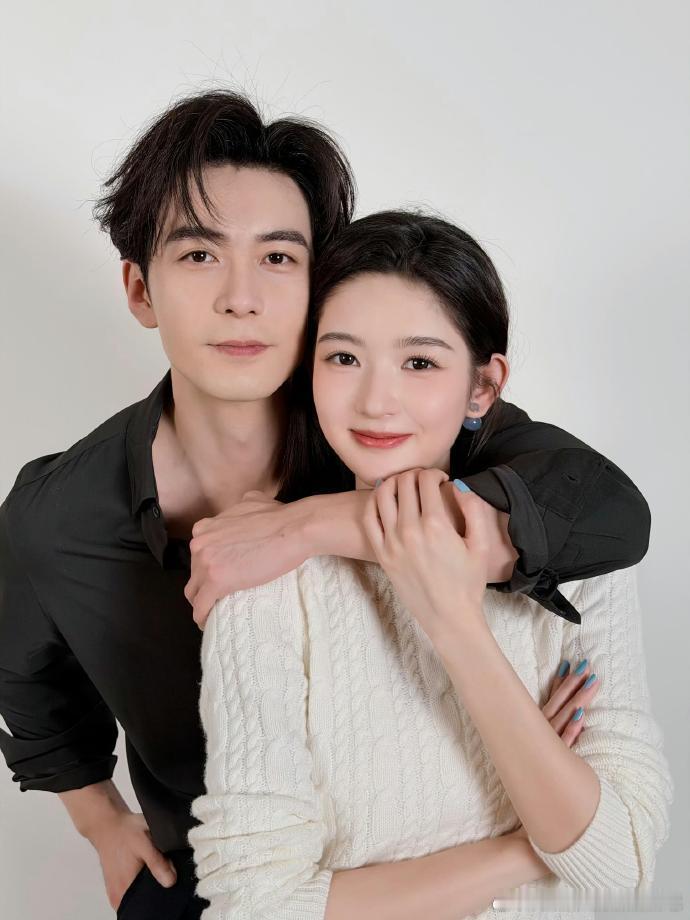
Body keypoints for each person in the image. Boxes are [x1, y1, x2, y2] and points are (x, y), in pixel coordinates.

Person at [0, 91, 651, 920]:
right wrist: (99, 820)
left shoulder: (383, 429)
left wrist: (306, 525)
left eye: (278, 258)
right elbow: (27, 685)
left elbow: (604, 509)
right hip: (222, 872)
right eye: (199, 255)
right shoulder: (58, 515)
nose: (241, 298)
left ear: (321, 285)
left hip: (427, 855)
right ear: (139, 289)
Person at [189, 211, 673, 920]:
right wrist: (532, 841)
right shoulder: (267, 582)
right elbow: (256, 906)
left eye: (419, 362)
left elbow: (623, 860)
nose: (375, 400)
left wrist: (455, 624)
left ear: (483, 387)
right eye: (343, 358)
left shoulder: (574, 563)